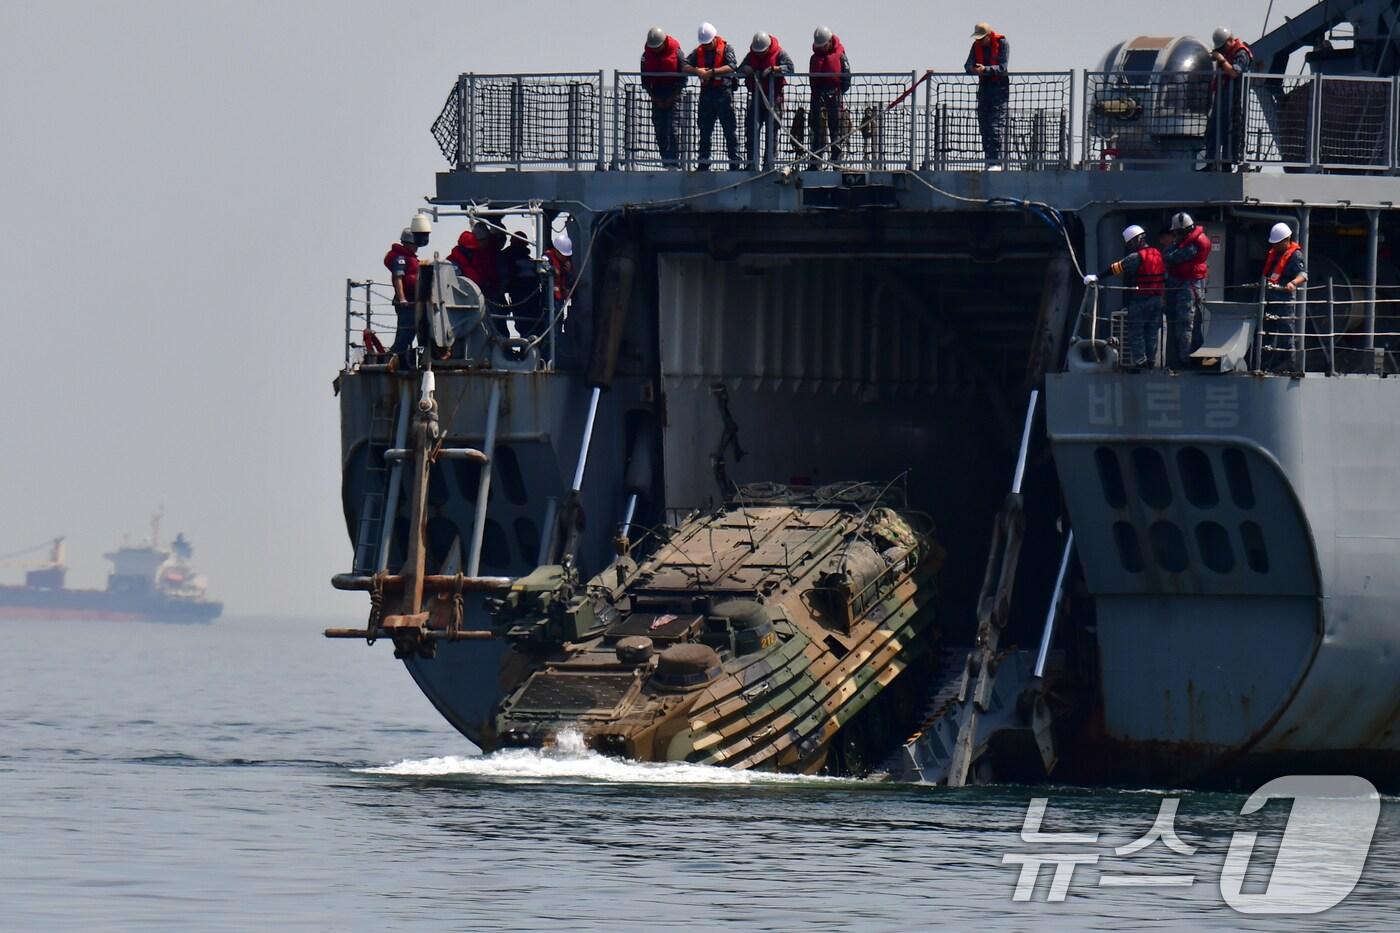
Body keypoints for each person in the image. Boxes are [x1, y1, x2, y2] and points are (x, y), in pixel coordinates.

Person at [1083, 225, 1167, 368]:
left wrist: (1097, 277)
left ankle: (1140, 362)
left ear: (1137, 240)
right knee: (1152, 331)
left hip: (1141, 300)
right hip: (1157, 299)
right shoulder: (1157, 253)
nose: (1130, 246)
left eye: (1131, 243)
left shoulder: (1136, 257)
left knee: (1136, 331)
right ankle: (1152, 361)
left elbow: (1116, 268)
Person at [684, 23, 741, 171]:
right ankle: (703, 160)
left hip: (723, 94)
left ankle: (734, 160)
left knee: (729, 128)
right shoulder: (698, 52)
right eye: (704, 44)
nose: (707, 46)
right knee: (704, 128)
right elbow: (684, 65)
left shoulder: (727, 49)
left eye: (709, 43)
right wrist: (697, 70)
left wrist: (712, 72)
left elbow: (732, 66)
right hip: (706, 95)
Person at [1162, 212, 1212, 368]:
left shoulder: (1196, 245)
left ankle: (1186, 359)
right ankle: (1191, 355)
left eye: (1176, 232)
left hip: (1189, 286)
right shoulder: (1186, 242)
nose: (1175, 235)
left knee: (1187, 322)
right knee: (1190, 321)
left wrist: (1171, 250)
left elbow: (1172, 257)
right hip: (1183, 284)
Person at [739, 32, 794, 171]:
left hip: (774, 99)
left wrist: (776, 69)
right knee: (752, 129)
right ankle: (752, 162)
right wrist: (746, 69)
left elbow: (790, 68)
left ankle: (769, 163)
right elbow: (739, 69)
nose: (759, 55)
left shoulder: (780, 53)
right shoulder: (751, 56)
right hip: (757, 97)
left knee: (772, 131)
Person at [382, 214, 431, 370]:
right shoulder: (401, 259)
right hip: (407, 303)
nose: (417, 247)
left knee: (412, 331)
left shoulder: (409, 258)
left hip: (414, 302)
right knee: (406, 332)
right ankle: (392, 358)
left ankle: (404, 361)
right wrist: (402, 299)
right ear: (409, 243)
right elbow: (398, 278)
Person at [1262, 222, 1307, 370]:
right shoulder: (1275, 254)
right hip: (1270, 301)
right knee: (1268, 334)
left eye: (1277, 243)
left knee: (1286, 333)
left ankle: (1290, 364)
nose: (1274, 246)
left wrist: (1293, 283)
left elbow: (1303, 275)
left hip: (1283, 302)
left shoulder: (1295, 256)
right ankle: (1267, 363)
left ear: (1286, 240)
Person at [965, 22, 1010, 170]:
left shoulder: (1002, 43)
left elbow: (1002, 67)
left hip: (999, 88)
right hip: (984, 87)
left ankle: (996, 162)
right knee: (984, 124)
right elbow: (967, 65)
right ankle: (989, 160)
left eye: (981, 38)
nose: (979, 41)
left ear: (989, 36)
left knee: (995, 125)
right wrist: (973, 69)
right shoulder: (975, 46)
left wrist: (986, 69)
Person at [641, 27, 686, 168]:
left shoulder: (677, 53)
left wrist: (673, 97)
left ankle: (674, 160)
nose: (655, 50)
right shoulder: (645, 57)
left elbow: (683, 78)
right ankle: (665, 159)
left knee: (673, 128)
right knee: (659, 128)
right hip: (657, 94)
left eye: (658, 47)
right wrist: (654, 98)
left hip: (674, 93)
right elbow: (645, 81)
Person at [1209, 27, 1253, 166]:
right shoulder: (1228, 53)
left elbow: (1234, 73)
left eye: (1222, 48)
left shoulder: (1241, 53)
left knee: (1231, 130)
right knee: (1215, 129)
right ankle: (1211, 162)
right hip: (1223, 98)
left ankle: (1229, 162)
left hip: (1235, 100)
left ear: (1229, 41)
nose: (1222, 51)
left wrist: (1221, 60)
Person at [808, 26, 851, 169]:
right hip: (817, 94)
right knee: (816, 127)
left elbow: (846, 76)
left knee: (835, 128)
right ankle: (815, 161)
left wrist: (839, 91)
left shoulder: (840, 56)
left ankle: (836, 161)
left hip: (834, 94)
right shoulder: (814, 58)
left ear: (830, 42)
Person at [545, 230, 574, 308]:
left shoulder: (566, 263)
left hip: (560, 297)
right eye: (562, 254)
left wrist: (568, 272)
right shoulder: (547, 258)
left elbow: (570, 281)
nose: (564, 257)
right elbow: (543, 267)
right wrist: (552, 269)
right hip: (549, 296)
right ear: (556, 250)